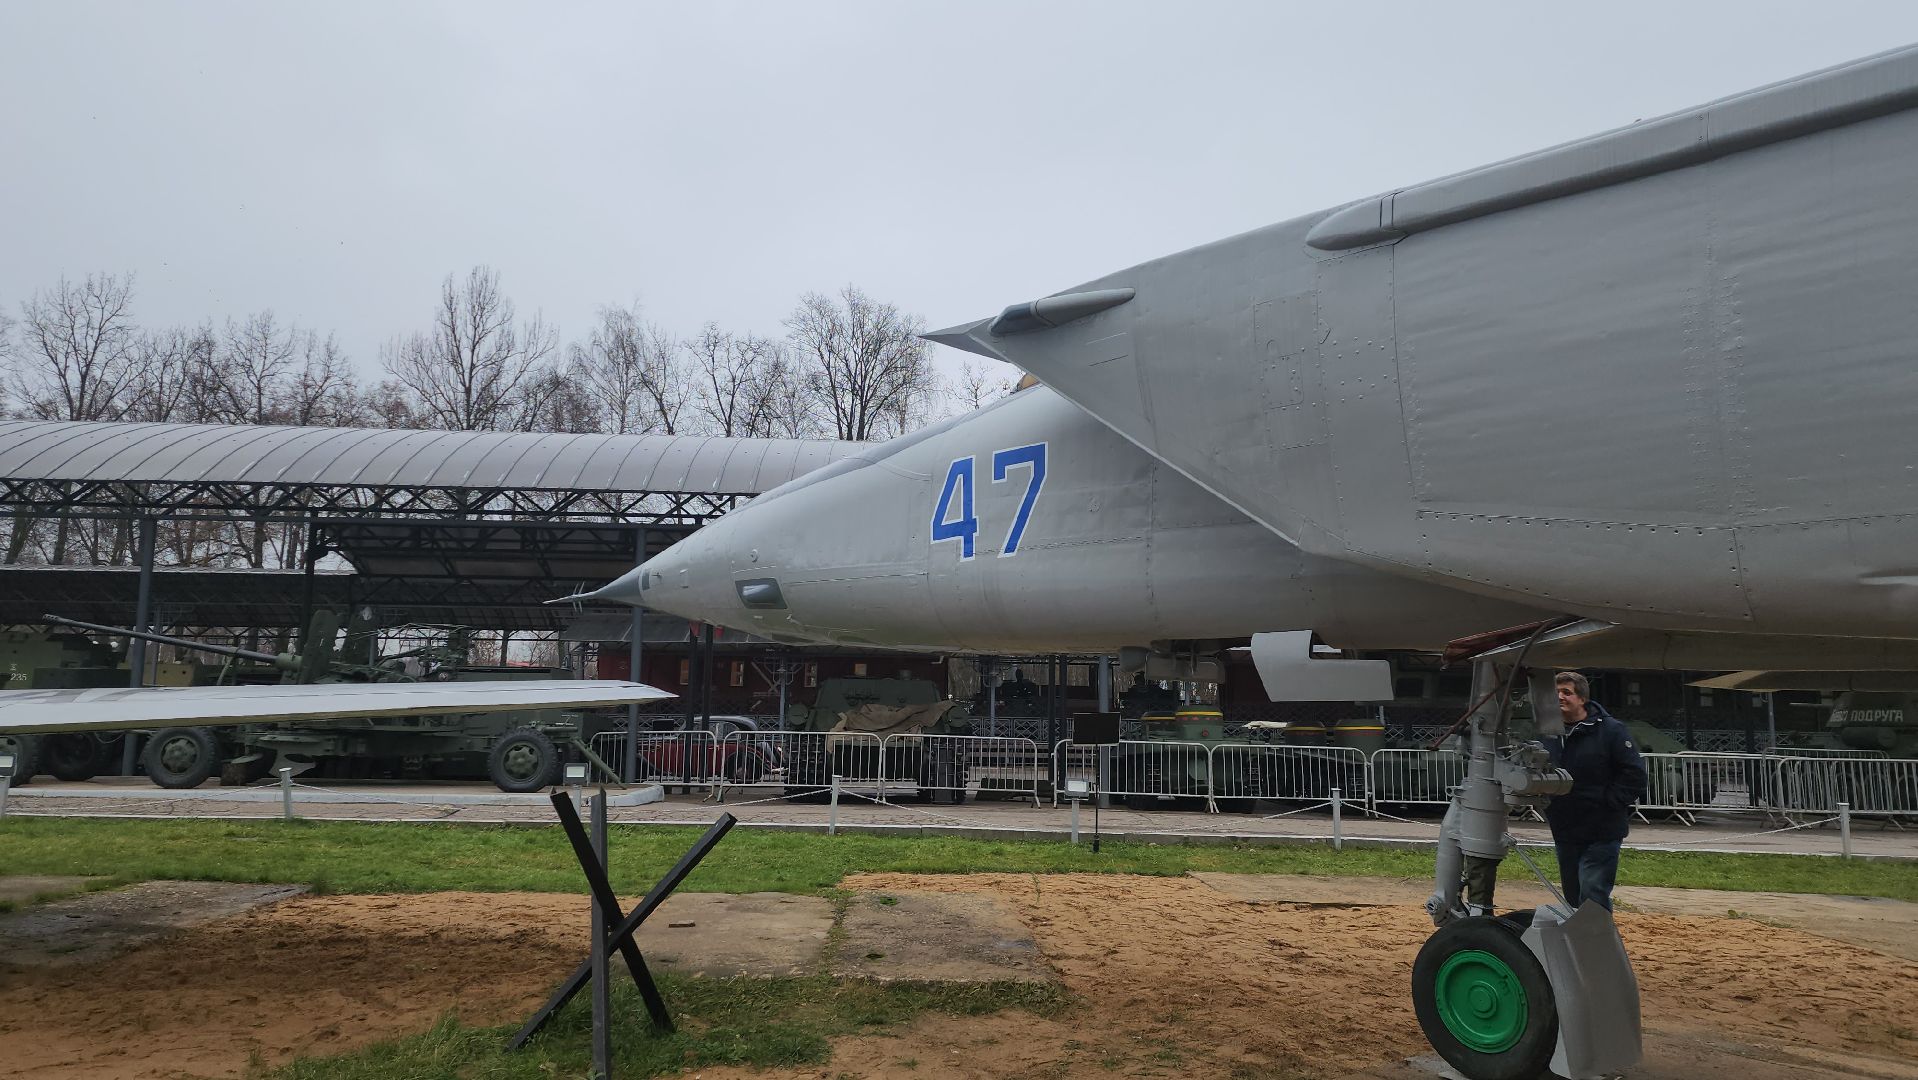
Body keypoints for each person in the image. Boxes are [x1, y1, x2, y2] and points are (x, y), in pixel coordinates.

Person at [1544, 671, 1647, 911]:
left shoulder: (1611, 730)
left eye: (1566, 692)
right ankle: (1579, 943)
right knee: (1573, 895)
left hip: (1602, 829)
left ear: (1582, 698)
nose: (1559, 697)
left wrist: (1608, 802)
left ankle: (1597, 943)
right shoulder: (1549, 733)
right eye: (1556, 692)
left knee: (1592, 891)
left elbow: (1634, 774)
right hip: (1565, 828)